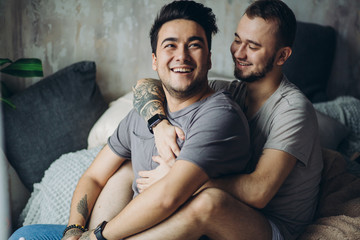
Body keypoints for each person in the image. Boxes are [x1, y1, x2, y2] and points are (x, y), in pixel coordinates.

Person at [9, 1, 251, 240]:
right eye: (170, 45)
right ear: (155, 60)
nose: (182, 55)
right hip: (118, 233)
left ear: (209, 59)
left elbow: (169, 197)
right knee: (26, 235)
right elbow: (93, 176)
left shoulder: (219, 115)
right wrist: (75, 229)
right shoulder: (144, 114)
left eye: (194, 45)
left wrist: (97, 237)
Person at [129, 0, 324, 239]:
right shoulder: (230, 91)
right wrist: (159, 124)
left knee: (208, 201)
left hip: (272, 227)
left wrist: (178, 180)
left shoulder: (293, 109)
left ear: (282, 55)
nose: (238, 53)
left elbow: (259, 192)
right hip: (232, 213)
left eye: (252, 46)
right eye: (237, 40)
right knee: (127, 163)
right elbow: (147, 85)